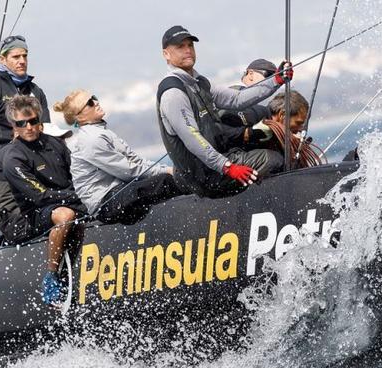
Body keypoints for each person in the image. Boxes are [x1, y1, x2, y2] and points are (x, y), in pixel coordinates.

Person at [157, 26, 292, 198]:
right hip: (203, 176)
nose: (188, 50)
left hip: (212, 166)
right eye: (180, 47)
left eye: (190, 45)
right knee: (274, 160)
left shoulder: (199, 82)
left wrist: (276, 80)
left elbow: (236, 99)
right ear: (166, 54)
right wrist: (228, 167)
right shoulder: (173, 92)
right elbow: (193, 139)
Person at [1, 95, 85, 306]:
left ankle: (73, 274)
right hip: (34, 213)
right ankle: (52, 276)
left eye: (32, 121)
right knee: (66, 215)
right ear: (14, 127)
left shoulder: (55, 144)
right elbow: (40, 196)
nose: (28, 127)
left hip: (68, 200)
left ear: (39, 120)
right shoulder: (13, 158)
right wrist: (76, 197)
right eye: (22, 123)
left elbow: (77, 175)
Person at [53, 90, 182, 225]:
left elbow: (136, 162)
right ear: (79, 117)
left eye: (94, 98)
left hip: (119, 192)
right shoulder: (91, 139)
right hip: (105, 204)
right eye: (90, 103)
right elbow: (131, 172)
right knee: (166, 181)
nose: (96, 102)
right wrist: (170, 173)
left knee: (169, 178)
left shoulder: (101, 131)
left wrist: (167, 169)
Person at [0, 35, 50, 193]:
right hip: (2, 165)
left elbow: (46, 127)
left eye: (25, 56)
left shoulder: (36, 91)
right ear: (2, 59)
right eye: (16, 57)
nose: (22, 60)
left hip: (34, 162)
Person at [262, 90, 324, 169]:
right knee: (275, 159)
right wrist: (240, 168)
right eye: (299, 123)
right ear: (282, 115)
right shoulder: (255, 116)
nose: (301, 130)